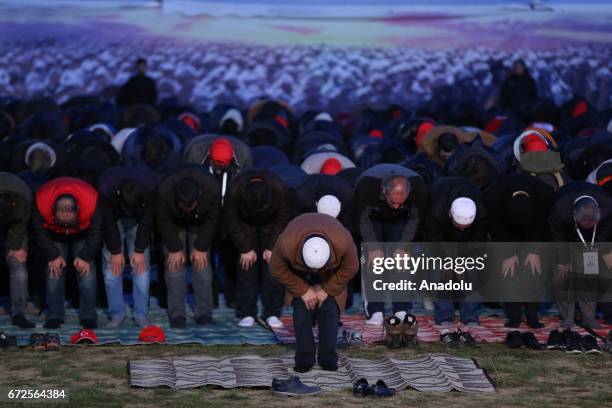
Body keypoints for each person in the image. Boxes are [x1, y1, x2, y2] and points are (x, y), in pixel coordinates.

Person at [270, 213, 358, 372]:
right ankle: (304, 356)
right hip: (299, 273)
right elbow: (276, 268)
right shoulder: (286, 242)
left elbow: (351, 267)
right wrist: (302, 290)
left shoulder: (343, 240)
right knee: (301, 310)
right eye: (313, 267)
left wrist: (327, 290)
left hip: (331, 273)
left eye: (317, 268)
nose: (315, 271)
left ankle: (328, 357)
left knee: (330, 308)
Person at [352, 164, 428, 325]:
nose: (396, 205)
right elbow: (362, 219)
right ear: (385, 191)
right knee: (374, 261)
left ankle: (401, 308)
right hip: (372, 216)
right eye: (394, 201)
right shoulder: (367, 185)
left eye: (401, 202)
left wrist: (402, 248)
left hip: (401, 219)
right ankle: (375, 311)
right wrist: (373, 248)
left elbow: (416, 220)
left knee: (401, 261)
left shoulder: (418, 187)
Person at [484, 173, 555, 328]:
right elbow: (495, 228)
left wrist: (535, 250)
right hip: (506, 232)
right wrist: (508, 253)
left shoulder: (546, 195)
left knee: (533, 269)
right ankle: (514, 315)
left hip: (534, 231)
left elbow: (544, 226)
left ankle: (532, 315)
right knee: (509, 270)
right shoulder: (493, 197)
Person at [224, 168, 292, 328]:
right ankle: (247, 312)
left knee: (273, 268)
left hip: (271, 227)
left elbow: (283, 219)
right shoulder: (235, 189)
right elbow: (231, 220)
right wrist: (245, 248)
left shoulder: (280, 188)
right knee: (246, 268)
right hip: (245, 226)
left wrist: (271, 247)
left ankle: (272, 313)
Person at [32, 177, 102, 329]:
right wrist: (53, 255)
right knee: (54, 271)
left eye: (68, 220)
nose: (66, 225)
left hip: (82, 232)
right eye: (61, 220)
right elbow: (39, 231)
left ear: (77, 211)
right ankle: (55, 315)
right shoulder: (41, 203)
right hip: (54, 234)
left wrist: (85, 256)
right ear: (53, 211)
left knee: (87, 272)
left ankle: (88, 315)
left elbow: (96, 231)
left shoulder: (91, 202)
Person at [156, 164, 221, 328]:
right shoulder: (164, 191)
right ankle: (177, 314)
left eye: (189, 206)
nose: (185, 210)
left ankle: (204, 313)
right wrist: (174, 248)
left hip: (200, 225)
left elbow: (213, 219)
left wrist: (200, 247)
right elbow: (162, 220)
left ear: (198, 198)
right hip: (173, 224)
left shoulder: (212, 189)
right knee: (174, 265)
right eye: (182, 206)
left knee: (202, 265)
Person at [98, 166, 157, 328]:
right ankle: (116, 314)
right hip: (113, 215)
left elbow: (147, 220)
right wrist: (116, 251)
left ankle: (141, 314)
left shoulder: (150, 188)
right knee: (112, 264)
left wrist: (139, 250)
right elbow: (108, 222)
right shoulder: (105, 187)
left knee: (141, 265)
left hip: (139, 218)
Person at [425, 177, 488, 326]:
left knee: (473, 269)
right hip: (440, 238)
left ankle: (470, 314)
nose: (461, 229)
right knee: (437, 270)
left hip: (468, 243)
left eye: (466, 227)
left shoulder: (481, 213)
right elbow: (434, 240)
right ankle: (444, 314)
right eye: (458, 225)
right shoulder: (435, 210)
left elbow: (477, 241)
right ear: (449, 214)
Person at [549, 182, 612, 329]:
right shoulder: (560, 209)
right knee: (563, 276)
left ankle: (588, 318)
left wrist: (602, 251)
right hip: (566, 238)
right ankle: (567, 318)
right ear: (575, 218)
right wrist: (564, 262)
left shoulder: (609, 207)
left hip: (593, 241)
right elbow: (557, 238)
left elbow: (606, 233)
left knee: (589, 276)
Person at [0, 172, 34, 328]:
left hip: (16, 223)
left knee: (18, 264)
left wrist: (15, 247)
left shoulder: (23, 198)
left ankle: (18, 313)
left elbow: (20, 225)